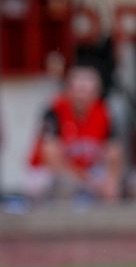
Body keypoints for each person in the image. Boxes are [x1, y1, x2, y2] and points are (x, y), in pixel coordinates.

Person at [24, 64, 123, 203]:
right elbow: (52, 159)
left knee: (115, 185)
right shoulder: (54, 111)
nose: (82, 96)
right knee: (64, 184)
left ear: (96, 93)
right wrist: (88, 181)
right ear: (68, 90)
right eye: (78, 90)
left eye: (87, 91)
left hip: (87, 173)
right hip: (50, 173)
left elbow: (114, 152)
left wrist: (112, 179)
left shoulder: (103, 112)